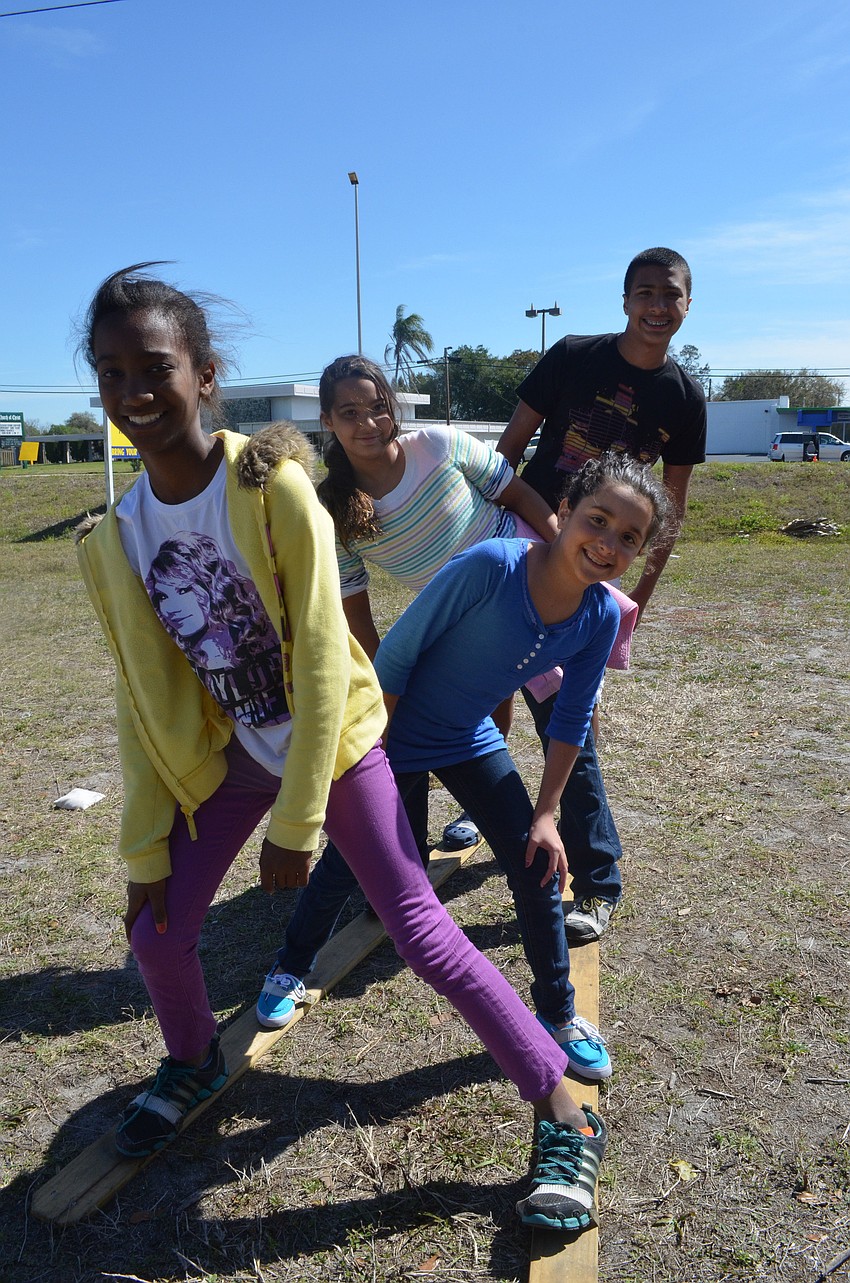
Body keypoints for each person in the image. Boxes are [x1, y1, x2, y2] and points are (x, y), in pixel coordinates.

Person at [74, 262, 604, 1234]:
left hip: (342, 741)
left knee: (419, 929)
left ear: (205, 374)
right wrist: (147, 846)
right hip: (239, 750)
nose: (134, 392)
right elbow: (144, 700)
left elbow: (325, 651)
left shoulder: (269, 484)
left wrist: (297, 819)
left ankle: (559, 1102)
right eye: (111, 374)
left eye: (154, 367)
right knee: (153, 930)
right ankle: (191, 1058)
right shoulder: (116, 535)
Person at [257, 354, 563, 1026]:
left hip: (507, 623)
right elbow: (357, 612)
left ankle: (563, 994)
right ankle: (299, 954)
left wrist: (562, 549)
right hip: (437, 654)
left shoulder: (445, 453)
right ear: (329, 423)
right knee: (379, 812)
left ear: (396, 406)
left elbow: (514, 494)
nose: (367, 422)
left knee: (529, 812)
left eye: (376, 407)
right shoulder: (335, 506)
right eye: (348, 412)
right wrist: (379, 697)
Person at [498, 247, 706, 943]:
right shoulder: (572, 356)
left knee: (563, 712)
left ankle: (597, 879)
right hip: (521, 540)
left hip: (587, 567)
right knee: (474, 683)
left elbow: (669, 507)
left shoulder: (683, 396)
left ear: (686, 304)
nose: (656, 306)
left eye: (669, 295)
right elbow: (509, 450)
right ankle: (482, 811)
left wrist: (636, 594)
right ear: (624, 300)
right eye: (644, 292)